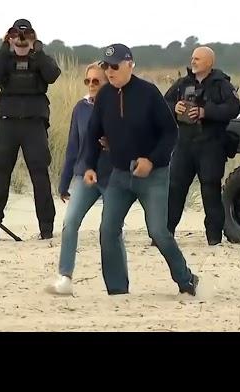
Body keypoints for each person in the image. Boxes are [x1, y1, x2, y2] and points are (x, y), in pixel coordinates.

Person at [84, 43, 198, 296]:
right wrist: (90, 166)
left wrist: (152, 160)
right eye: (106, 67)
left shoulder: (148, 93)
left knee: (158, 232)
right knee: (108, 230)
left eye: (115, 67)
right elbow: (94, 132)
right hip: (119, 175)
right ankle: (117, 290)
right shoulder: (104, 96)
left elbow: (170, 132)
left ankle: (186, 279)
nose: (109, 72)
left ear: (130, 65)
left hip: (153, 175)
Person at [0, 19, 61, 241]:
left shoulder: (39, 59)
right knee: (0, 173)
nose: (20, 39)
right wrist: (4, 47)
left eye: (25, 35)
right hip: (7, 122)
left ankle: (46, 228)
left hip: (34, 124)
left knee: (40, 174)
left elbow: (52, 75)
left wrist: (37, 49)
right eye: (16, 35)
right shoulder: (4, 59)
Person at [164, 46, 240, 246]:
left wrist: (206, 112)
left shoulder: (221, 84)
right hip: (184, 144)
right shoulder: (182, 83)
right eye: (192, 58)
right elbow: (162, 104)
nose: (193, 61)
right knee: (175, 188)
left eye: (197, 58)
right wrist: (175, 107)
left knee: (210, 190)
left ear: (209, 62)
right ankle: (165, 233)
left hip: (211, 145)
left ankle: (214, 237)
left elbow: (233, 108)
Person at [48, 62, 113, 295]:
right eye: (88, 81)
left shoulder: (117, 105)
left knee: (112, 229)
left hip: (111, 174)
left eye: (97, 81)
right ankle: (65, 276)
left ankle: (118, 284)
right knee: (70, 222)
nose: (92, 85)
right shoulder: (81, 108)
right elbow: (73, 146)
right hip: (83, 174)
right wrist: (64, 181)